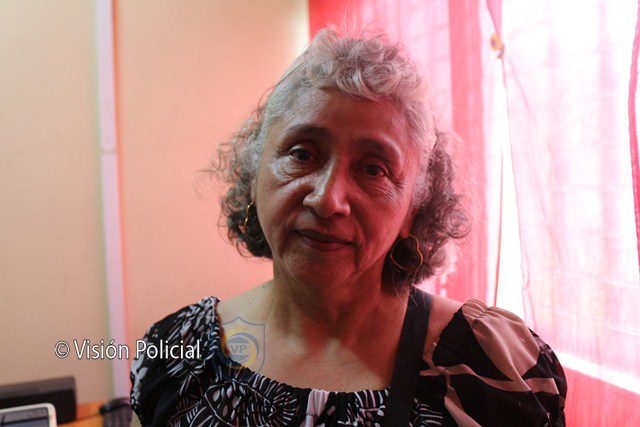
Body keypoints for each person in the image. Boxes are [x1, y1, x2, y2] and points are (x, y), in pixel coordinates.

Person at [129, 28, 567, 426]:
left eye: (374, 169)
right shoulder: (174, 355)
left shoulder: (495, 370)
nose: (327, 200)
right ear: (253, 172)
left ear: (414, 209)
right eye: (302, 154)